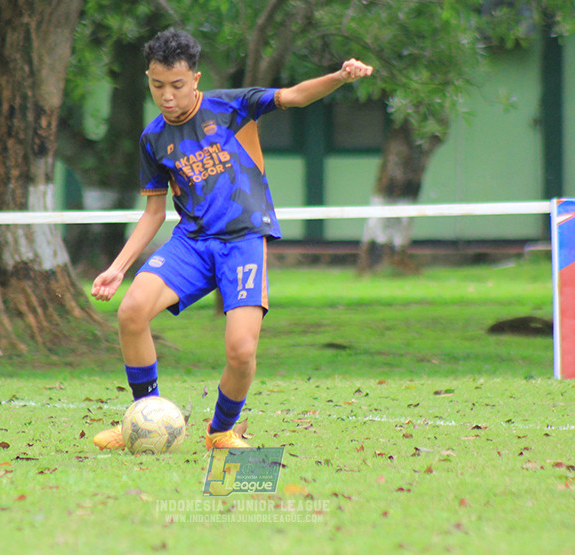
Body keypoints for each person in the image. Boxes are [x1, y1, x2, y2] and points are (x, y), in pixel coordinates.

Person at [91, 28, 373, 450]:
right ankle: (143, 419)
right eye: (157, 85)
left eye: (177, 86)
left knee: (241, 351)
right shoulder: (153, 138)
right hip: (191, 243)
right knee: (131, 311)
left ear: (196, 80)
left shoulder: (229, 106)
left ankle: (221, 430)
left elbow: (294, 96)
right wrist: (118, 268)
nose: (167, 96)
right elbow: (153, 213)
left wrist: (339, 77)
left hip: (242, 241)